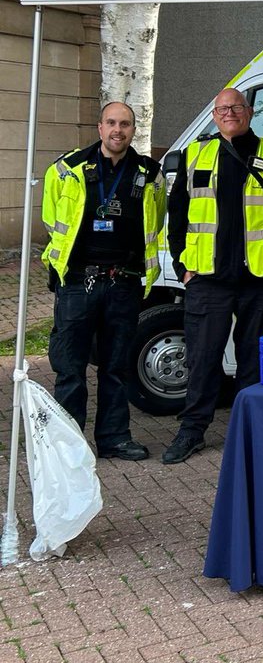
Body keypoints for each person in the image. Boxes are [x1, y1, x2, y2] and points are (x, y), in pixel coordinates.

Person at [165, 87, 263, 464]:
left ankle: (252, 433)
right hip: (207, 279)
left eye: (236, 107)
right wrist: (184, 268)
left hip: (262, 279)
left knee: (256, 360)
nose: (229, 113)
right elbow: (178, 214)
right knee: (202, 358)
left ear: (249, 112)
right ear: (214, 116)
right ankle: (192, 431)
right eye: (222, 109)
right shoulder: (195, 153)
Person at [41, 101, 166, 460]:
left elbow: (155, 222)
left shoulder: (149, 174)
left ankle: (113, 438)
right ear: (99, 128)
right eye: (111, 122)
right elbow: (52, 219)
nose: (118, 130)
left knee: (117, 367)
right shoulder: (68, 169)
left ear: (133, 130)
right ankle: (68, 445)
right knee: (70, 368)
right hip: (79, 282)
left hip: (123, 283)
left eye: (125, 124)